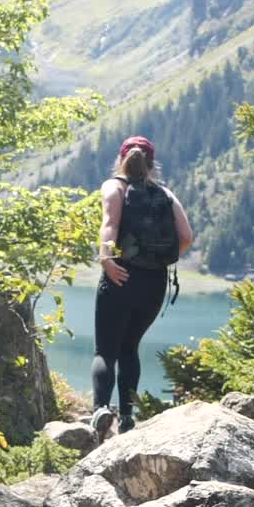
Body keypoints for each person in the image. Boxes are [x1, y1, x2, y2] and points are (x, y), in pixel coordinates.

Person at [90, 136, 193, 443]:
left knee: (105, 351)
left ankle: (99, 411)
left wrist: (107, 259)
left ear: (122, 159)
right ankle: (127, 417)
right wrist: (154, 261)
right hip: (154, 283)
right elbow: (186, 237)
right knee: (129, 348)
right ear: (151, 163)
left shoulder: (114, 187)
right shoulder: (165, 193)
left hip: (120, 276)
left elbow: (110, 223)